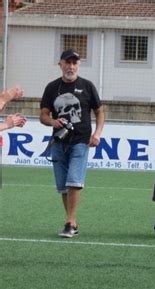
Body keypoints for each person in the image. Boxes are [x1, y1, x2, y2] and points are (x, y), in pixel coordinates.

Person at [40, 49, 105, 238]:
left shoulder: (87, 86)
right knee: (63, 186)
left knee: (74, 181)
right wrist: (53, 122)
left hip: (80, 141)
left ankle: (69, 222)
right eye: (67, 62)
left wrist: (97, 133)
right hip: (59, 141)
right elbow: (43, 115)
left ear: (78, 65)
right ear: (60, 64)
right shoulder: (52, 87)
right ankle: (72, 221)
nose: (71, 66)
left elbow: (100, 111)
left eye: (74, 63)